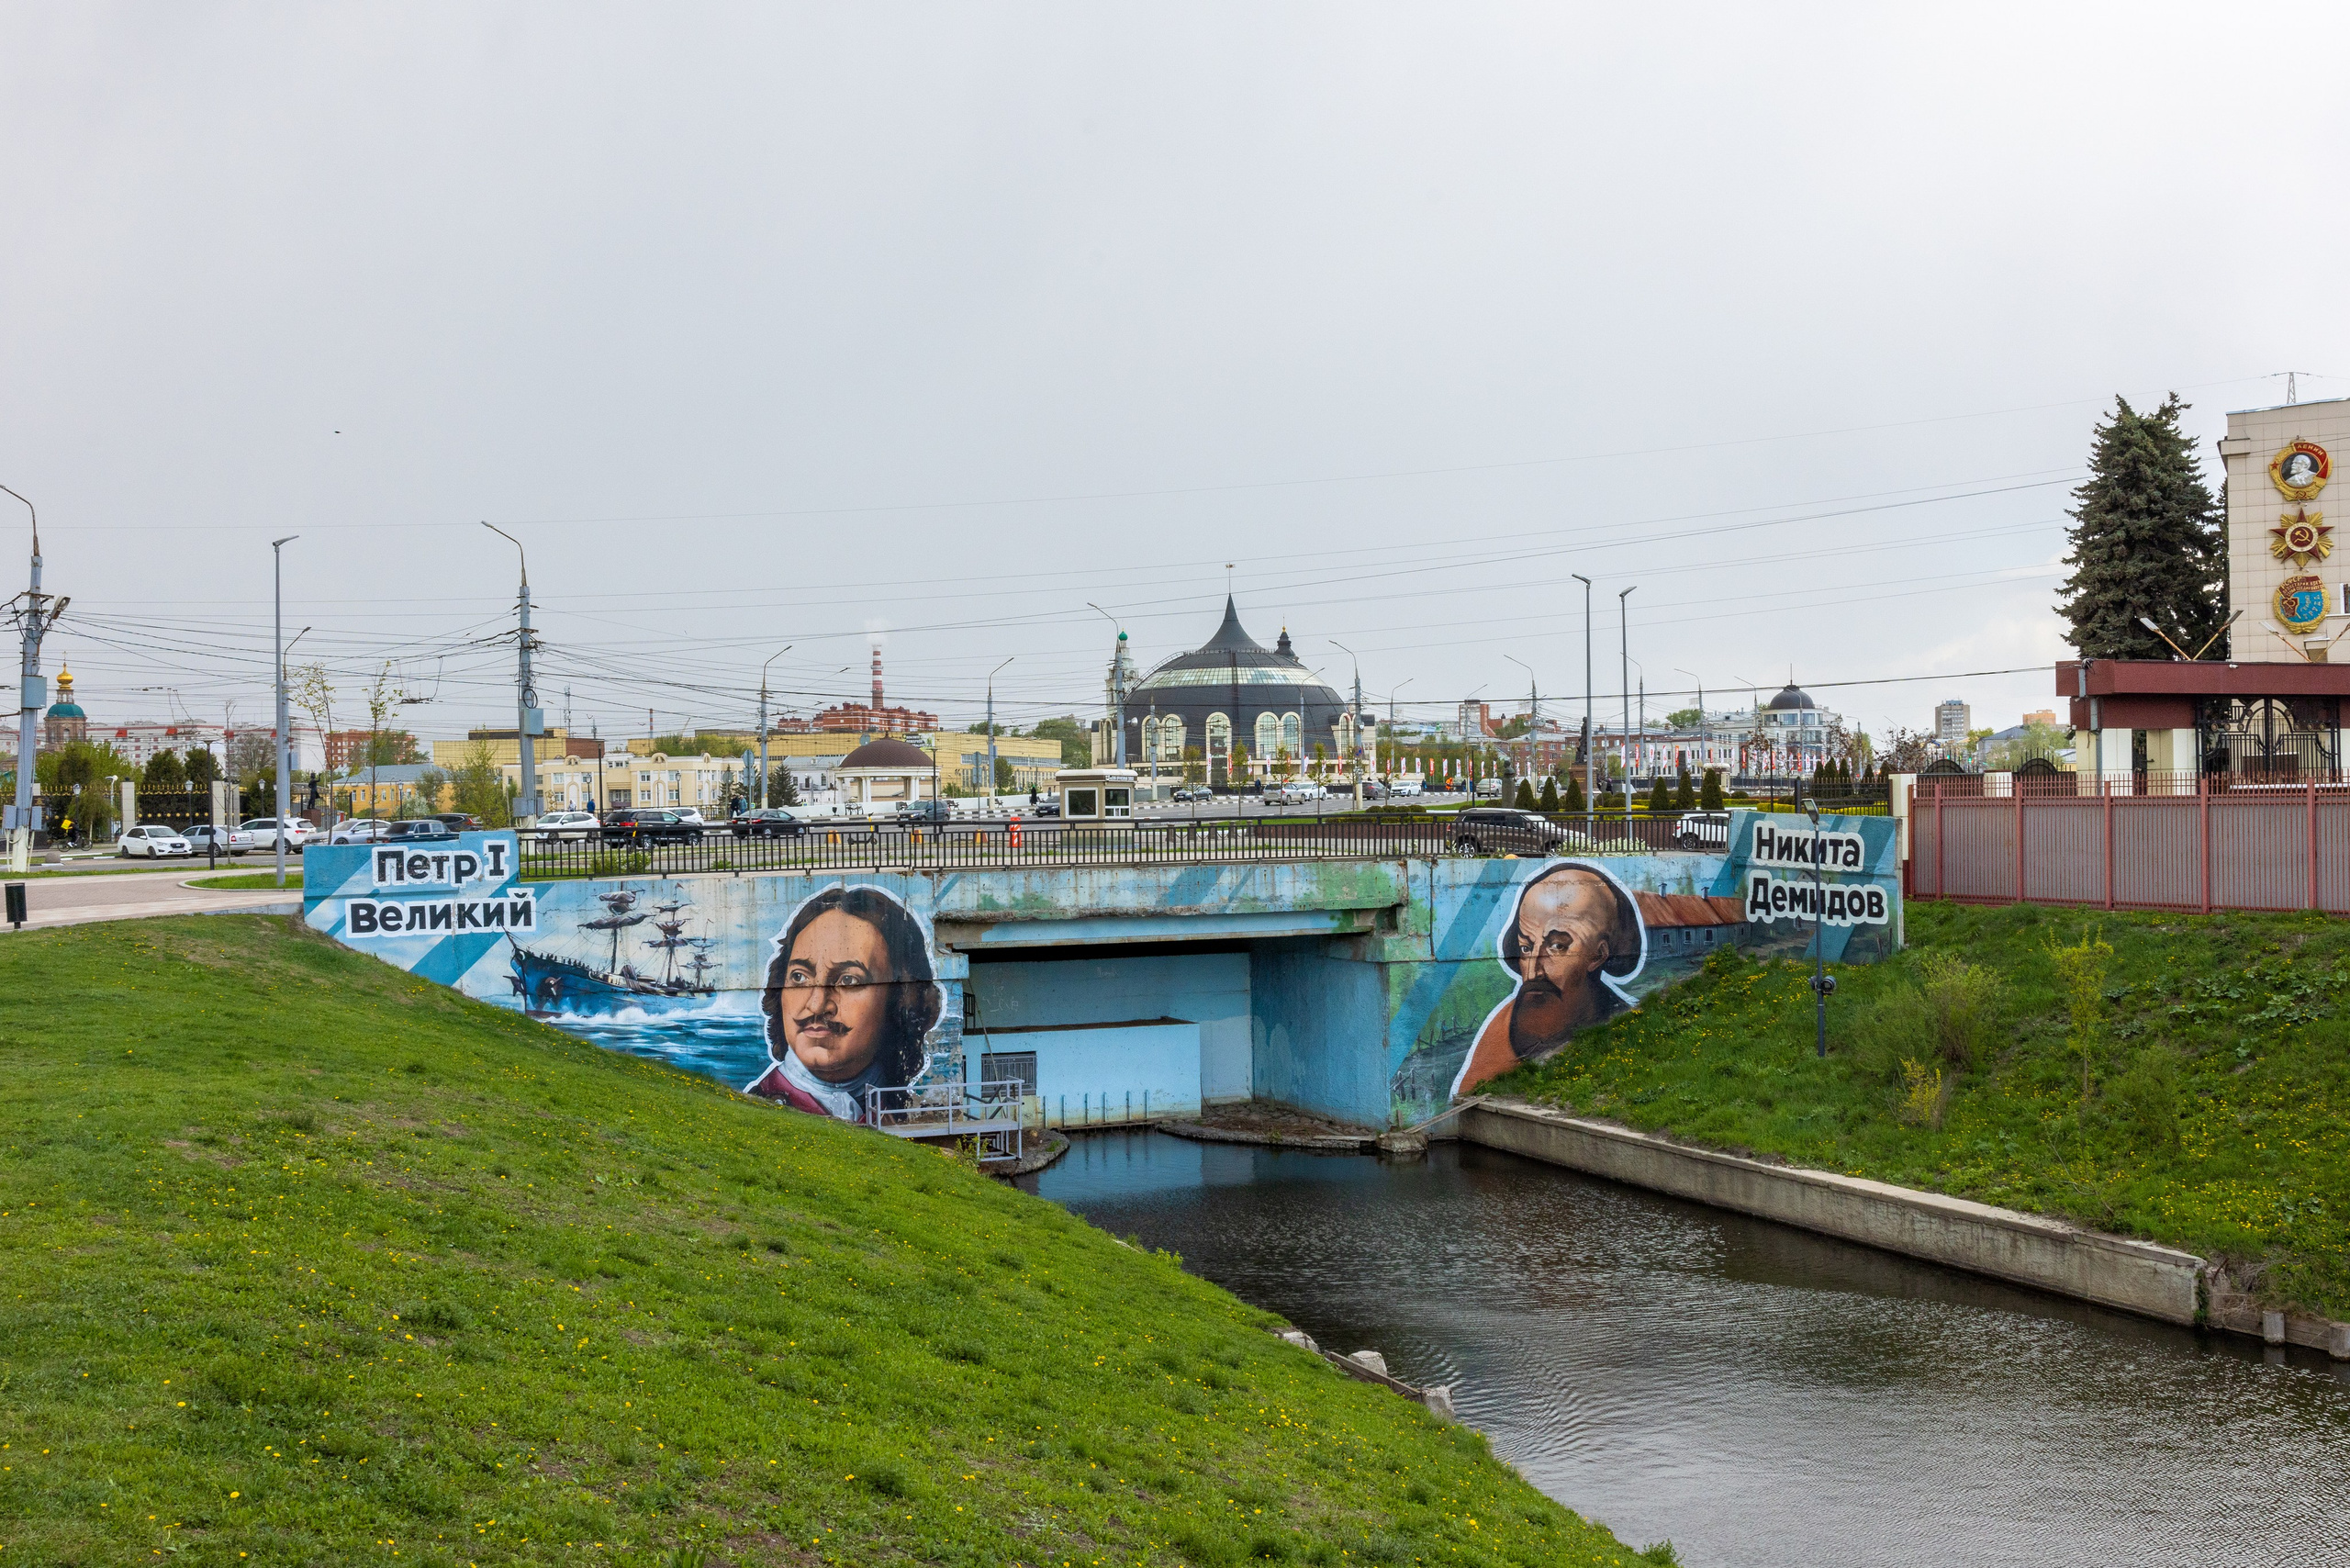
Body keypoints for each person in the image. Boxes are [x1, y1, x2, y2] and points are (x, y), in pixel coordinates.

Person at [744, 885, 941, 1120]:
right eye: (799, 977)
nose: (817, 1005)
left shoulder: (898, 1105)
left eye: (849, 980)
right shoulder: (761, 1110)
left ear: (901, 1000)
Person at [1449, 862, 1644, 1096]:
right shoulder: (1500, 1034)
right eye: (1525, 948)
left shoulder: (1629, 1030)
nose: (1533, 971)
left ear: (1598, 955)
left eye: (1557, 946)